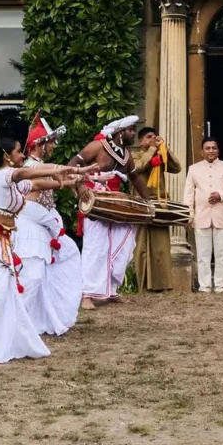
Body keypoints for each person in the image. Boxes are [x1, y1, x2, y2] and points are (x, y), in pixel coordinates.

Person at [0, 135, 86, 366]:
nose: (22, 155)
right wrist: (60, 169)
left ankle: (5, 341)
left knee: (7, 293)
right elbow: (25, 174)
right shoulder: (3, 176)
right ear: (6, 156)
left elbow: (35, 184)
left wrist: (66, 180)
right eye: (17, 151)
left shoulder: (12, 184)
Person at [70, 114, 141, 309]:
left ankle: (111, 290)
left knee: (122, 242)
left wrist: (149, 202)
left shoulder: (127, 156)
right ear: (120, 132)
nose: (133, 133)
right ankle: (87, 294)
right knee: (95, 248)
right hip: (94, 201)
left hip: (115, 203)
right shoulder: (97, 146)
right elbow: (71, 165)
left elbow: (135, 178)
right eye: (131, 130)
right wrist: (80, 187)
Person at [20, 115, 82, 337]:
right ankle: (19, 322)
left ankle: (41, 318)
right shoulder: (32, 166)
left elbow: (55, 179)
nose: (54, 146)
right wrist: (78, 172)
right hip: (30, 231)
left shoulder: (37, 166)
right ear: (40, 144)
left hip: (44, 227)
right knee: (34, 276)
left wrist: (76, 180)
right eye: (52, 142)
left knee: (57, 263)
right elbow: (53, 173)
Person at [182, 137, 223, 292]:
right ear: (202, 151)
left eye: (214, 148)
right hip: (201, 216)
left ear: (218, 150)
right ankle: (205, 285)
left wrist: (221, 195)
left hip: (222, 216)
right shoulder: (193, 169)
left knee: (221, 254)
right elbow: (188, 194)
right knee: (203, 254)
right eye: (207, 148)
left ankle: (220, 285)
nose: (211, 151)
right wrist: (189, 215)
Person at [131, 124, 182, 292]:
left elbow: (177, 168)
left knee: (161, 246)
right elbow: (138, 167)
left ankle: (161, 284)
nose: (153, 139)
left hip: (159, 203)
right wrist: (152, 149)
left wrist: (165, 149)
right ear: (141, 141)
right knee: (141, 245)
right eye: (149, 137)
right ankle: (141, 285)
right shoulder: (134, 155)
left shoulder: (160, 155)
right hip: (141, 203)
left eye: (154, 137)